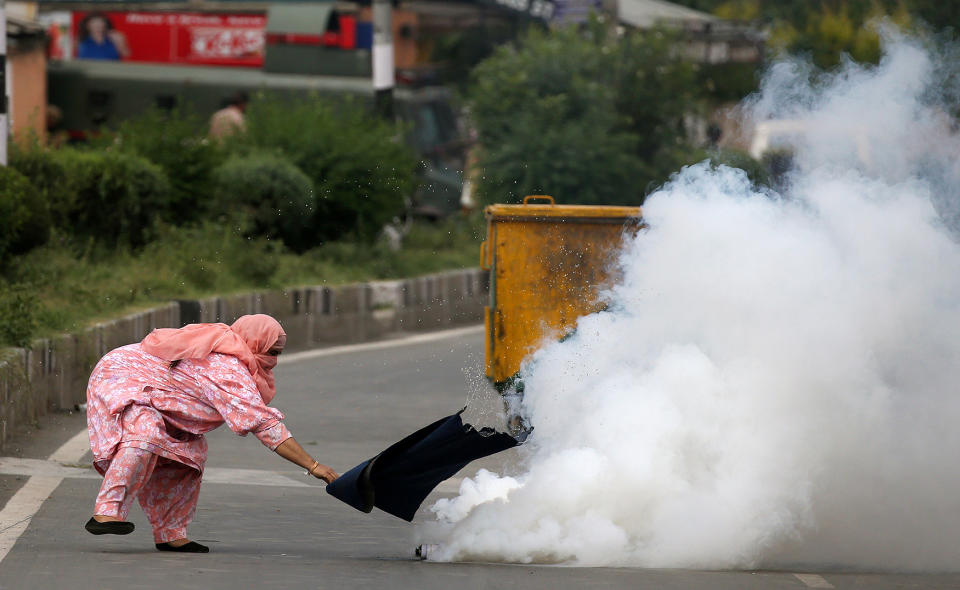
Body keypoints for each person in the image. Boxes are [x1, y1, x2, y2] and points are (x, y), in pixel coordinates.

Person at [84, 314, 339, 553]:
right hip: (122, 377)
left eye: (277, 354)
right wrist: (313, 465)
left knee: (189, 454)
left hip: (161, 393)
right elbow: (263, 424)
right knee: (144, 435)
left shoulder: (232, 352)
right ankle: (106, 512)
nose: (273, 361)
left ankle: (171, 532)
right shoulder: (226, 366)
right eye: (270, 352)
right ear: (254, 343)